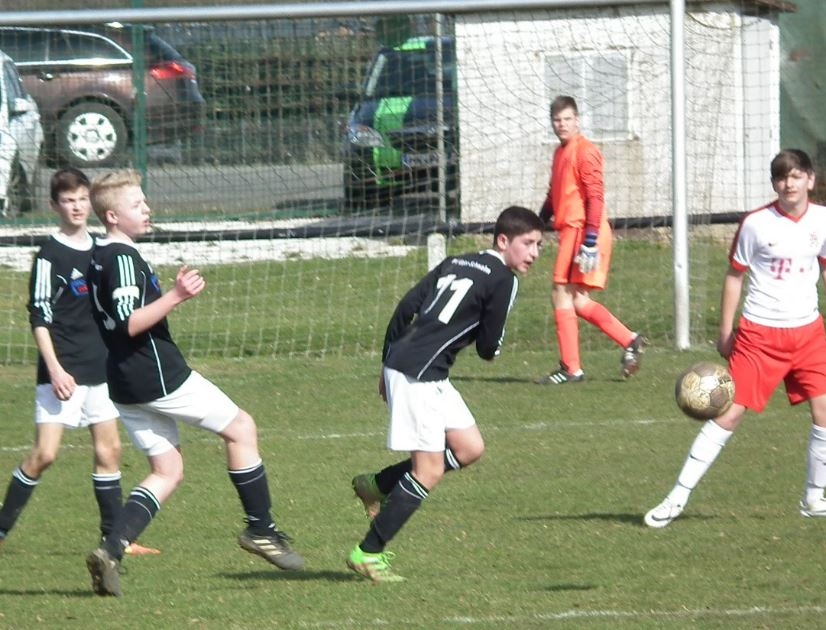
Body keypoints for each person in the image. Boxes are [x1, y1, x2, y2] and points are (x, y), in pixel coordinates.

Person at [83, 169, 303, 597]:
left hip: (124, 381)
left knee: (167, 471)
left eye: (144, 201)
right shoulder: (122, 258)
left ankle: (111, 549)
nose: (146, 209)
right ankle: (261, 530)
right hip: (156, 374)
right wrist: (177, 295)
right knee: (241, 428)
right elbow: (129, 322)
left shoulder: (99, 254)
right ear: (112, 216)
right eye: (136, 204)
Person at [644, 148, 826, 529]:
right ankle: (675, 498)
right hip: (759, 335)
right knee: (728, 413)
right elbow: (734, 276)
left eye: (796, 176)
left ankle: (815, 499)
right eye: (781, 177)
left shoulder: (824, 219)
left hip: (809, 334)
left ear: (810, 180)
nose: (789, 184)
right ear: (774, 184)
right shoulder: (756, 224)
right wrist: (726, 331)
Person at [347, 205, 544, 583]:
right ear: (504, 241)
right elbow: (488, 349)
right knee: (430, 470)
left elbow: (406, 308)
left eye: (539, 245)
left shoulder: (457, 261)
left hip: (415, 367)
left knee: (469, 448)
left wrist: (386, 365)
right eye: (528, 243)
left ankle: (378, 484)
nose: (534, 253)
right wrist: (493, 348)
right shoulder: (504, 279)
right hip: (418, 374)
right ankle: (368, 552)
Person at [0, 168, 158, 557]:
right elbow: (40, 317)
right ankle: (1, 529)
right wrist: (54, 369)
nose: (76, 207)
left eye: (82, 199)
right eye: (68, 201)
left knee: (110, 451)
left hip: (101, 369)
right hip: (63, 372)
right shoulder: (49, 256)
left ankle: (114, 540)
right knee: (45, 455)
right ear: (54, 205)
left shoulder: (103, 250)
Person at [537, 95, 646, 385]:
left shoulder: (586, 151)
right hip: (572, 231)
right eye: (557, 120)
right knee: (576, 299)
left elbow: (595, 197)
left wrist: (590, 239)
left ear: (577, 120)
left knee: (560, 293)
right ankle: (630, 339)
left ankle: (571, 369)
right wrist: (537, 224)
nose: (562, 124)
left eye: (567, 119)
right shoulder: (559, 153)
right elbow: (553, 195)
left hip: (583, 230)